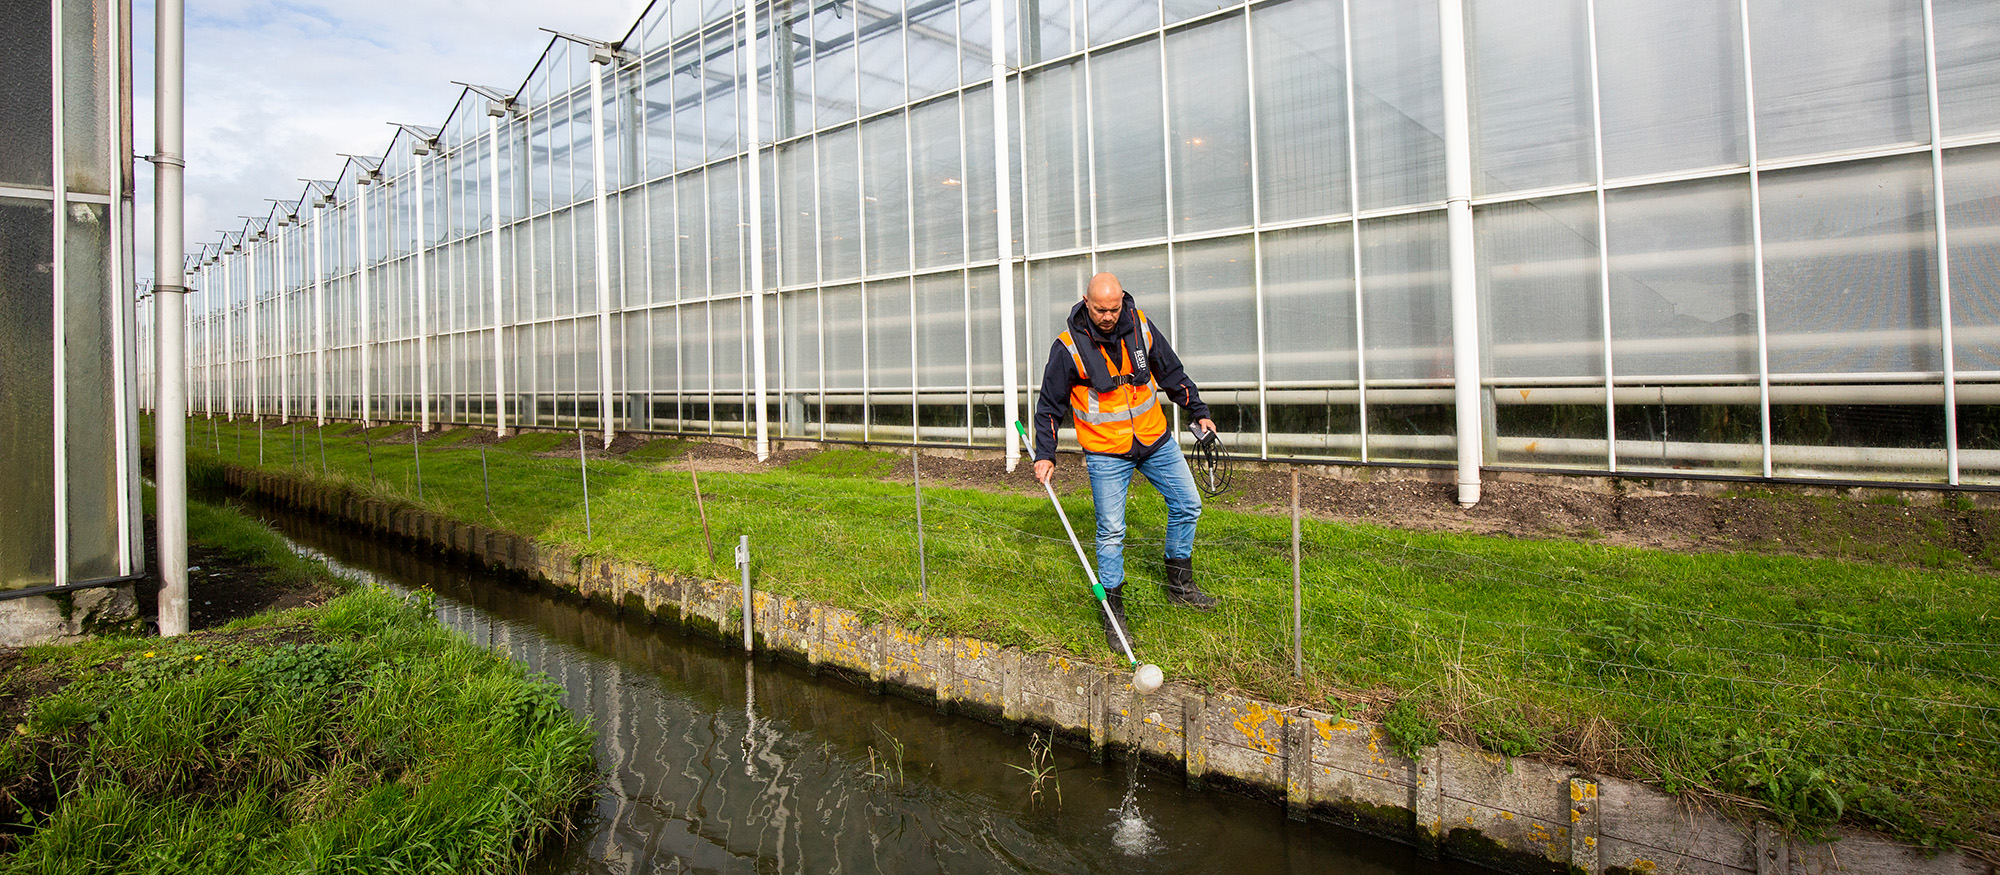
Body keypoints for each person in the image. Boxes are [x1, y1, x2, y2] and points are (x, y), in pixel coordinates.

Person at [1032, 272, 1220, 654]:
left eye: (1114, 308)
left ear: (1122, 301)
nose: (1108, 316)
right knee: (1111, 532)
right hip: (1105, 451)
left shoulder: (1141, 326)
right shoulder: (1067, 347)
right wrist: (1045, 454)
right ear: (1087, 302)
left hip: (1154, 439)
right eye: (1101, 310)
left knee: (1188, 504)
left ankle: (1180, 587)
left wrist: (1198, 411)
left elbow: (1171, 372)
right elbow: (1050, 405)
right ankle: (1113, 615)